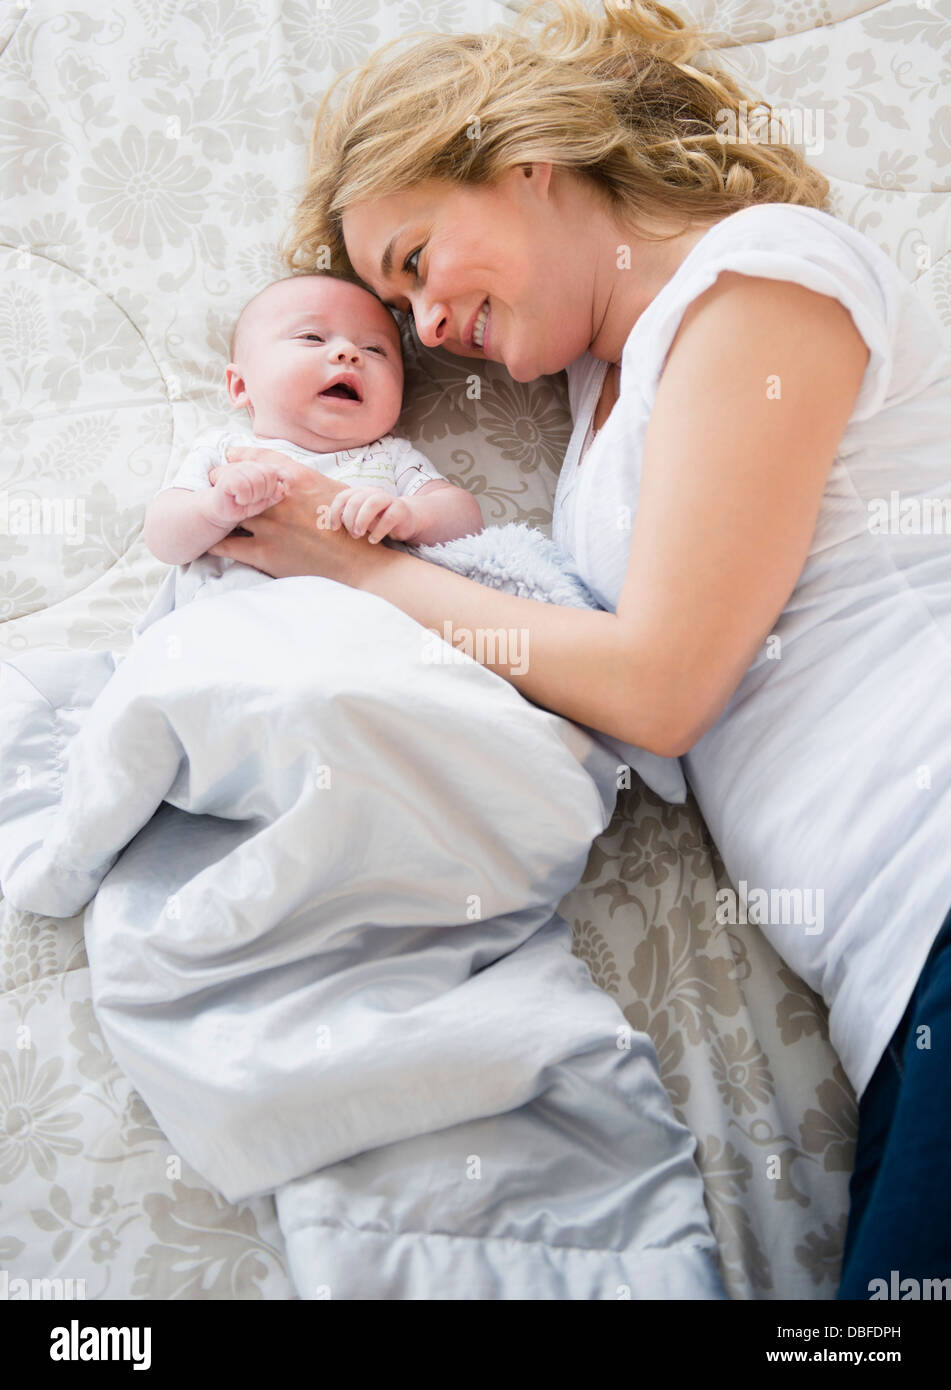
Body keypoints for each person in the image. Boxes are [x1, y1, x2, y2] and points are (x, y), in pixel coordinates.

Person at [201, 0, 951, 1296]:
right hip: (889, 977)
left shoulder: (761, 275)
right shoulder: (602, 396)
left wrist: (357, 566)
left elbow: (656, 684)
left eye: (417, 256)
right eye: (397, 300)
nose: (425, 323)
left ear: (526, 155)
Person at [138, 272, 483, 632]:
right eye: (312, 337)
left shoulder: (390, 457)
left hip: (356, 636)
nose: (348, 353)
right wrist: (213, 510)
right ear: (240, 386)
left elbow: (466, 520)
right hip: (227, 633)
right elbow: (163, 541)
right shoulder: (226, 451)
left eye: (374, 349)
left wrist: (413, 516)